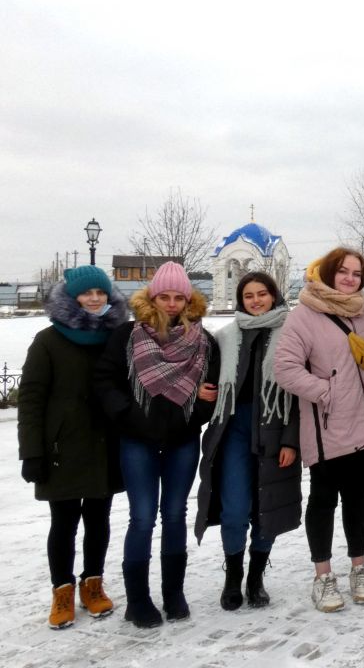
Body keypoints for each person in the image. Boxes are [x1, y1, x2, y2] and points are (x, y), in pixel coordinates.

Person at [94, 261, 219, 629]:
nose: (170, 303)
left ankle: (173, 593)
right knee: (143, 517)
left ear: (188, 299)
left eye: (178, 297)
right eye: (163, 296)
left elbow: (210, 392)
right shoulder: (127, 336)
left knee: (176, 514)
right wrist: (129, 416)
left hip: (181, 441)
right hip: (137, 441)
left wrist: (196, 412)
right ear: (152, 296)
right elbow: (105, 381)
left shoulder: (204, 341)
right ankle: (138, 600)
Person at [274, 248, 364, 613]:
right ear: (329, 273)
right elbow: (285, 368)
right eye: (344, 272)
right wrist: (325, 392)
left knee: (358, 499)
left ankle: (359, 568)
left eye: (357, 274)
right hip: (328, 424)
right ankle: (322, 575)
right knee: (323, 500)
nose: (351, 279)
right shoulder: (305, 314)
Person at [19, 266, 127, 629]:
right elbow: (32, 399)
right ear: (72, 297)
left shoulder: (116, 336)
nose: (95, 298)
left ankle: (92, 584)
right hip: (61, 448)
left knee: (99, 520)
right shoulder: (48, 340)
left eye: (101, 292)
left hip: (105, 445)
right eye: (87, 293)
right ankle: (62, 590)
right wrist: (31, 452)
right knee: (63, 523)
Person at [195, 272, 301, 611]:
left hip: (274, 429)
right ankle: (233, 577)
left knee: (266, 506)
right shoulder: (225, 337)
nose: (256, 300)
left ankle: (255, 579)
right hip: (233, 431)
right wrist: (201, 392)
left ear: (273, 296)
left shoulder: (293, 334)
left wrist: (291, 441)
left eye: (262, 294)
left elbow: (299, 395)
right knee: (235, 507)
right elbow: (207, 380)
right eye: (249, 295)